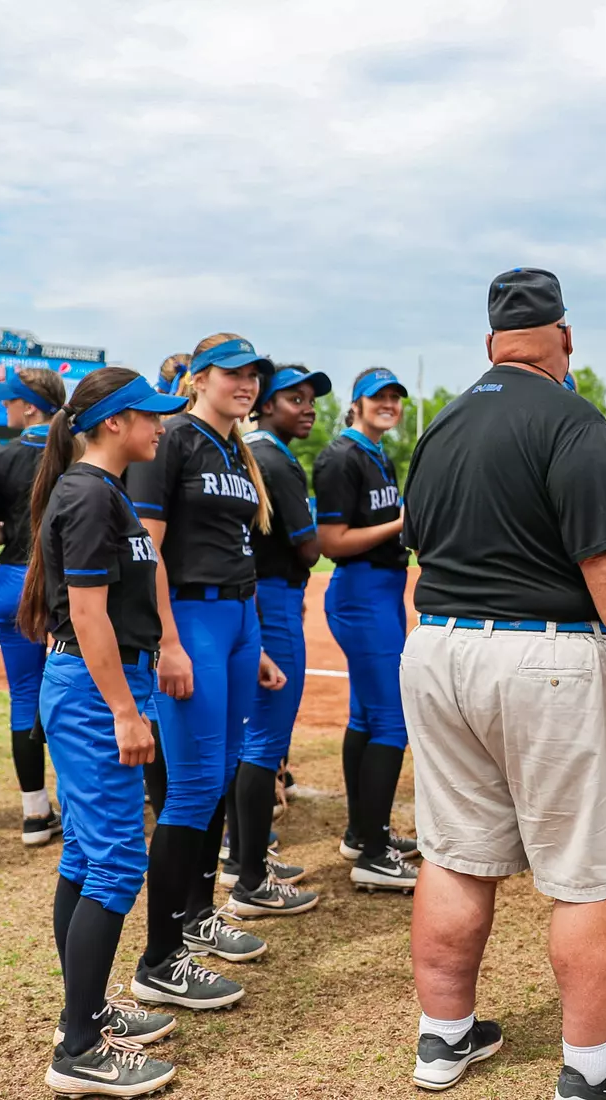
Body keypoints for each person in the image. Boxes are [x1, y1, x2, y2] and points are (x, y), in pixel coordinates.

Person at [399, 268, 606, 1100]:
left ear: (489, 345)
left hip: (439, 646)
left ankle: (443, 1041)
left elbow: (420, 550)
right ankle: (591, 1068)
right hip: (544, 655)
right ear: (566, 338)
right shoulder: (570, 416)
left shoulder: (440, 422)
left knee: (453, 853)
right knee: (588, 864)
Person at [17, 367, 188, 1096]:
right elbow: (87, 615)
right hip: (95, 690)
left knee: (89, 855)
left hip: (104, 683)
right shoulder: (89, 493)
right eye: (150, 416)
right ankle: (80, 1049)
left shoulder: (101, 490)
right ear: (114, 423)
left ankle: (80, 1014)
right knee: (117, 862)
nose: (160, 426)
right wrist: (124, 709)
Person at [127, 334, 296, 1008]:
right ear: (198, 378)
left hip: (235, 619)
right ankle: (159, 959)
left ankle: (196, 918)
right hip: (190, 621)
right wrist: (168, 640)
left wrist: (251, 643)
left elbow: (234, 546)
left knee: (217, 778)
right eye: (233, 373)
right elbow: (148, 549)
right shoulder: (173, 439)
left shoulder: (233, 447)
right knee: (193, 788)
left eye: (254, 375)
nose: (247, 384)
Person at [223, 363, 332, 917]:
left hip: (257, 595)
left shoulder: (253, 449)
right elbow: (310, 549)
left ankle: (244, 855)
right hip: (274, 598)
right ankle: (249, 877)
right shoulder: (274, 459)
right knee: (265, 737)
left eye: (311, 399)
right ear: (265, 404)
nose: (308, 407)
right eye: (295, 398)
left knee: (253, 735)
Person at [314, 367, 420, 891]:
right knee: (392, 721)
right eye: (378, 397)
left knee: (365, 715)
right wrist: (405, 521)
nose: (389, 404)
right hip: (359, 591)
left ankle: (362, 833)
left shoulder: (379, 454)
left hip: (382, 591)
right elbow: (331, 542)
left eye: (395, 397)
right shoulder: (341, 456)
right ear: (356, 403)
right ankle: (374, 854)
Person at [0, 367, 68, 846]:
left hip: (12, 581)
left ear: (30, 406)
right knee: (79, 699)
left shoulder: (0, 454)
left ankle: (34, 813)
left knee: (24, 696)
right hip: (69, 583)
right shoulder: (79, 449)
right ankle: (76, 808)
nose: (4, 408)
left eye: (10, 401)